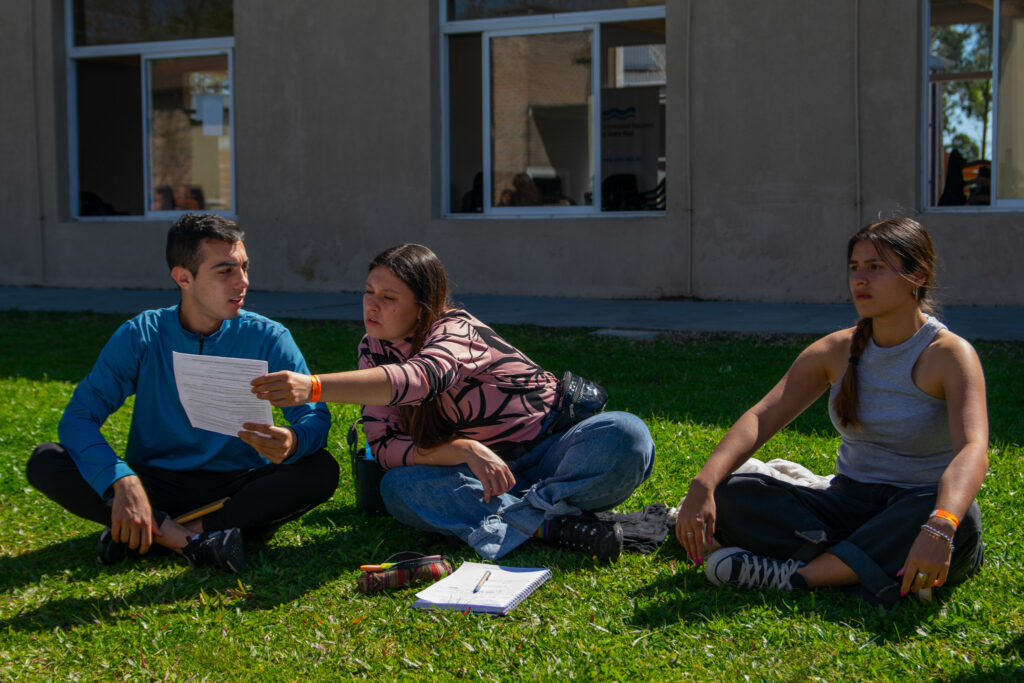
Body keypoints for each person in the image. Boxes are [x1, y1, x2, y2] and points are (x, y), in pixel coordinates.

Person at [251, 243, 655, 561]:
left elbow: (420, 378)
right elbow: (385, 446)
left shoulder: (457, 330)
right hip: (481, 476)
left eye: (389, 297)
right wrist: (459, 449)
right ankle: (553, 523)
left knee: (626, 435)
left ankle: (520, 521)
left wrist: (316, 386)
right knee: (398, 488)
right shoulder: (373, 349)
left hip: (554, 452)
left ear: (423, 306)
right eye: (369, 291)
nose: (372, 305)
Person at [675, 217, 987, 608]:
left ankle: (800, 577)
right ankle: (876, 567)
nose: (860, 279)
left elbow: (972, 448)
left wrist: (941, 523)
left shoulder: (949, 354)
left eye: (875, 268)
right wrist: (704, 484)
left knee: (964, 521)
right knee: (732, 495)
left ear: (917, 276)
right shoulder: (836, 350)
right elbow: (762, 417)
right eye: (855, 267)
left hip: (917, 504)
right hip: (846, 504)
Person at [26, 214, 337, 573]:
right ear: (183, 278)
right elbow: (79, 417)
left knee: (321, 468)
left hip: (237, 483)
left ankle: (156, 533)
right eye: (226, 271)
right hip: (155, 481)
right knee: (46, 460)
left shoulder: (269, 337)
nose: (243, 282)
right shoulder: (141, 334)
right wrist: (121, 480)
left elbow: (315, 416)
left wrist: (293, 440)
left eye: (245, 267)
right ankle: (191, 540)